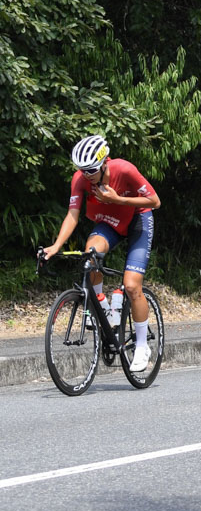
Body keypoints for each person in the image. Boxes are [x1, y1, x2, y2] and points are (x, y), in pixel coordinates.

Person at [42, 135, 162, 372]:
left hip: (138, 219)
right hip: (110, 223)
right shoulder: (80, 179)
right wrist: (56, 246)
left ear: (104, 162)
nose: (87, 176)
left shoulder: (124, 170)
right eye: (82, 170)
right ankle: (102, 305)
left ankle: (141, 346)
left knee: (131, 285)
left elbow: (155, 201)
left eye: (92, 170)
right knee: (90, 253)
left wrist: (117, 198)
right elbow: (72, 215)